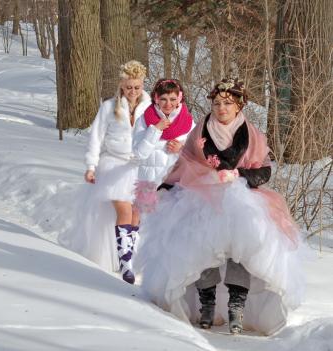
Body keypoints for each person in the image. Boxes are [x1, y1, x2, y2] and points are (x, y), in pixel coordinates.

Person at [135, 78, 306, 335]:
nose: (221, 108)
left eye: (227, 103)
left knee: (243, 246)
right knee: (199, 245)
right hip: (202, 195)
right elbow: (186, 161)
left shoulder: (252, 134)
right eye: (216, 103)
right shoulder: (201, 129)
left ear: (238, 106)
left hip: (241, 196)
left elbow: (263, 171)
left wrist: (238, 175)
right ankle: (207, 303)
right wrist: (167, 187)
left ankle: (237, 306)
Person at [58, 60, 151, 284]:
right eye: (128, 86)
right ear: (121, 84)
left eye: (137, 87)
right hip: (113, 164)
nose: (133, 91)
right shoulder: (109, 107)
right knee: (124, 209)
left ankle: (132, 255)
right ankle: (125, 261)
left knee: (137, 212)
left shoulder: (150, 107)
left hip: (139, 166)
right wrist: (91, 165)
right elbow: (96, 137)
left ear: (142, 85)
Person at [132, 79, 194, 213]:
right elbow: (138, 154)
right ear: (156, 98)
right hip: (149, 184)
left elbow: (196, 154)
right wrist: (155, 130)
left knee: (171, 228)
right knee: (145, 228)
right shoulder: (143, 121)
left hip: (176, 185)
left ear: (179, 99)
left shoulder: (188, 122)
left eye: (173, 99)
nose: (168, 104)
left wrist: (181, 149)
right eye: (163, 99)